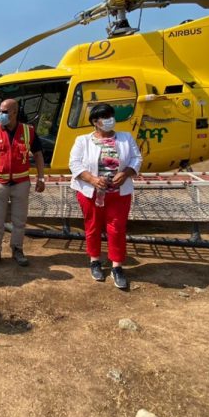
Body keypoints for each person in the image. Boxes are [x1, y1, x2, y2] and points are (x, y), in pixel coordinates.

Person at [69, 103, 142, 289]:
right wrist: (92, 179)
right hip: (90, 193)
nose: (110, 120)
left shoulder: (126, 138)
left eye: (111, 116)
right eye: (105, 117)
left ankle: (117, 266)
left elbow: (137, 158)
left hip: (119, 194)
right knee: (92, 226)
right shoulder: (82, 140)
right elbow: (74, 163)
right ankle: (95, 261)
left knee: (117, 228)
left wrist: (125, 173)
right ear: (95, 121)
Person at [0, 98, 46, 270]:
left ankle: (17, 249)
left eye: (5, 111)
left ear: (15, 112)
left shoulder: (28, 131)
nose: (1, 114)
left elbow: (38, 155)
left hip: (21, 183)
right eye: (0, 111)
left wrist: (41, 178)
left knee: (19, 220)